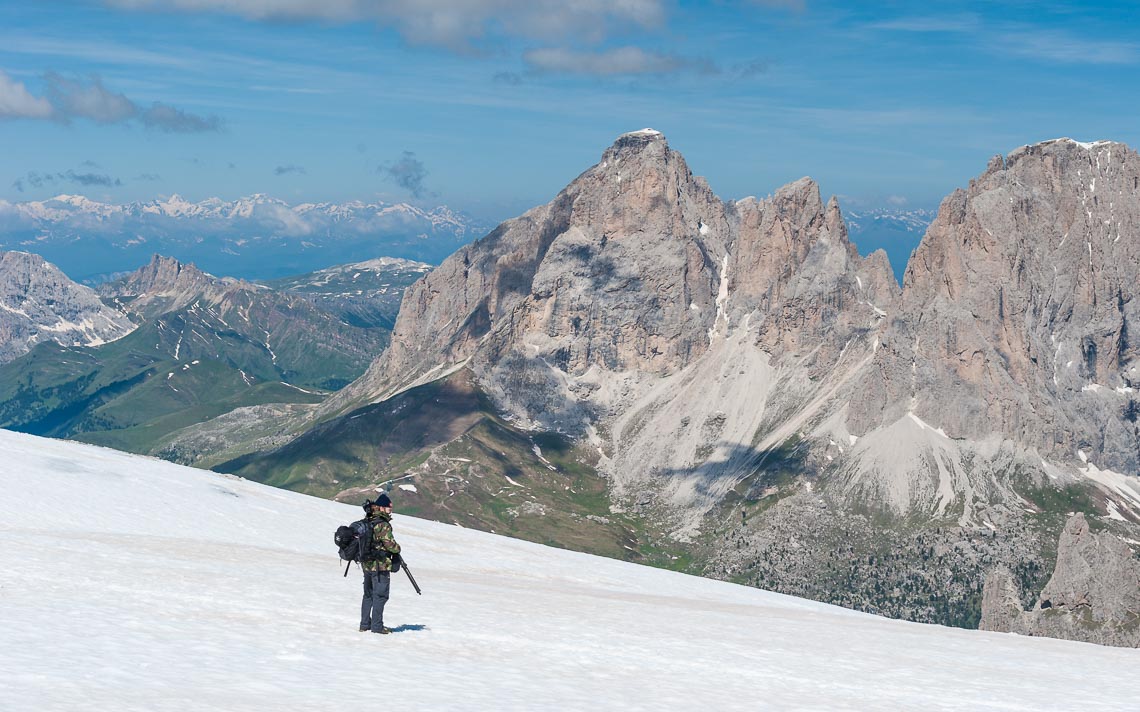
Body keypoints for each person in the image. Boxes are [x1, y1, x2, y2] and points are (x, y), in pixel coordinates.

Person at [359, 492, 401, 634]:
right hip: (380, 565)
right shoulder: (383, 524)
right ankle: (377, 626)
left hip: (366, 564)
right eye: (389, 509)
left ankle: (364, 624)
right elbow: (390, 545)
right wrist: (397, 549)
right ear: (382, 508)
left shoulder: (368, 520)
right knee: (380, 595)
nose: (391, 511)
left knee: (368, 595)